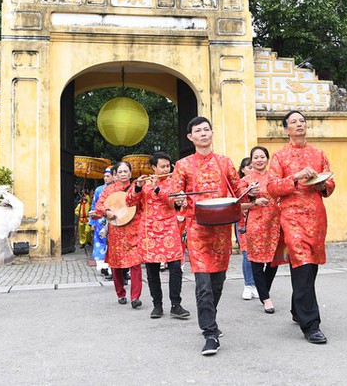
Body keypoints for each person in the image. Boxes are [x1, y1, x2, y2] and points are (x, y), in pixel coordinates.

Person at [171, 116, 253, 356]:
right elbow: (177, 195)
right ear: (191, 137)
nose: (204, 134)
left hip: (221, 231)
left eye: (207, 129)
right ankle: (210, 332)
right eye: (198, 131)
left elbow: (238, 192)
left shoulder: (225, 162)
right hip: (197, 229)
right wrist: (179, 199)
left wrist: (250, 193)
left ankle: (210, 318)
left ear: (212, 133)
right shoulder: (183, 165)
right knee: (204, 284)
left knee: (217, 283)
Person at [267, 110, 335, 345]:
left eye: (302, 121)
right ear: (286, 129)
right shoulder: (279, 156)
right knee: (303, 264)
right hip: (292, 216)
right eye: (294, 122)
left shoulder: (318, 153)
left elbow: (330, 183)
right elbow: (272, 187)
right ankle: (311, 324)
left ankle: (298, 308)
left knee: (310, 266)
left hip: (316, 216)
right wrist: (295, 177)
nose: (299, 125)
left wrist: (321, 183)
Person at [126, 151, 190, 320]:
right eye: (162, 166)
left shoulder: (173, 183)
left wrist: (157, 188)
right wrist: (138, 187)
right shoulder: (143, 183)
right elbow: (130, 202)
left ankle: (176, 304)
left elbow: (172, 202)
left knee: (175, 268)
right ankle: (157, 305)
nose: (165, 169)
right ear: (153, 167)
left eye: (167, 166)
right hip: (149, 231)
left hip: (169, 228)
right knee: (152, 270)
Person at [95, 161, 144, 308]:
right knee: (116, 265)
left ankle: (135, 297)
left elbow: (143, 205)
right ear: (115, 175)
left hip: (134, 229)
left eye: (125, 171)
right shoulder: (108, 190)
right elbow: (99, 206)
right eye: (120, 172)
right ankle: (120, 293)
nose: (123, 174)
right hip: (116, 231)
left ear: (130, 173)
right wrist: (106, 212)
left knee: (135, 264)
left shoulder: (137, 187)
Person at [241, 146, 284, 314]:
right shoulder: (246, 181)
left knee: (274, 260)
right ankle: (266, 298)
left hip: (275, 223)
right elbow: (237, 203)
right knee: (257, 263)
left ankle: (262, 290)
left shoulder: (275, 177)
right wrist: (254, 202)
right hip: (256, 225)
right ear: (251, 161)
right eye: (256, 157)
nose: (259, 160)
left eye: (262, 157)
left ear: (267, 159)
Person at [236, 157, 259, 301]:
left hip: (258, 223)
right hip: (243, 224)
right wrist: (253, 204)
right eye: (248, 167)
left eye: (253, 167)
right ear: (242, 170)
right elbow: (235, 205)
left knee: (257, 255)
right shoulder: (239, 186)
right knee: (246, 254)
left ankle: (256, 284)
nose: (251, 169)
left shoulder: (260, 182)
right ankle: (248, 284)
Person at [89, 167, 113, 278]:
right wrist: (92, 223)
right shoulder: (99, 190)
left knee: (111, 244)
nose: (105, 178)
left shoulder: (118, 189)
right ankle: (103, 266)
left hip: (113, 220)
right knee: (100, 242)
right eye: (104, 176)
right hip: (100, 221)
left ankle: (113, 269)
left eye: (108, 176)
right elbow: (94, 206)